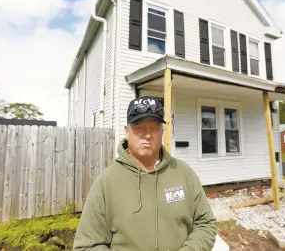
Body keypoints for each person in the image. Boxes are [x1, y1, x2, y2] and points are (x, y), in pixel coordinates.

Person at [73, 96, 218, 251]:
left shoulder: (184, 173)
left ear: (162, 132)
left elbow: (205, 224)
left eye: (154, 127)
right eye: (138, 127)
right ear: (127, 132)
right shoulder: (107, 183)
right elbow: (87, 246)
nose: (147, 135)